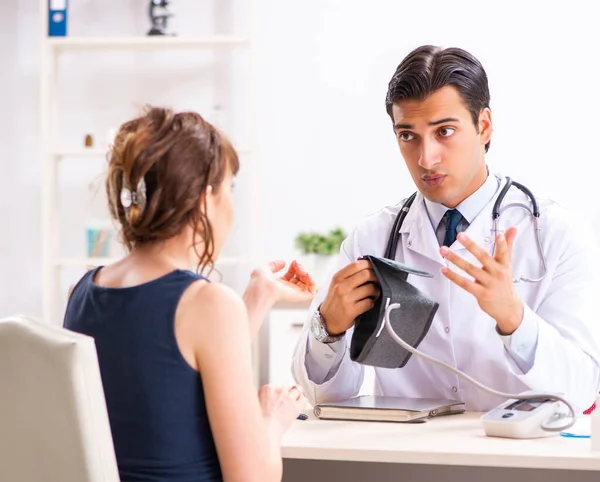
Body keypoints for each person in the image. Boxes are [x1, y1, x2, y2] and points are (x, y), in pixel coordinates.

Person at [292, 45, 600, 413]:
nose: (426, 158)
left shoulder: (554, 234)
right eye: (408, 136)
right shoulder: (370, 239)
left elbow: (582, 391)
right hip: (410, 463)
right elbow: (323, 398)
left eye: (445, 131)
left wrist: (515, 320)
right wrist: (329, 328)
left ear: (483, 126)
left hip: (520, 464)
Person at [64, 106, 315, 482]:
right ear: (205, 198)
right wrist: (272, 419)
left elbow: (176, 376)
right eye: (229, 188)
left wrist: (259, 296)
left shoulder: (82, 292)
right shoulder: (207, 304)